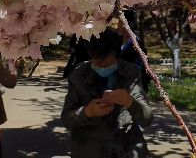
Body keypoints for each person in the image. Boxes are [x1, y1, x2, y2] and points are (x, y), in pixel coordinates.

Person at [61, 27, 154, 158]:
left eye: (106, 62)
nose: (102, 66)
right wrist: (87, 112)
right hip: (89, 150)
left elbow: (147, 118)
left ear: (117, 57)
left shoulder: (130, 74)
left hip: (126, 149)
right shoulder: (79, 76)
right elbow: (67, 119)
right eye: (98, 62)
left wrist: (130, 102)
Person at [118, 10, 150, 92]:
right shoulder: (117, 41)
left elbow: (140, 66)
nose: (118, 25)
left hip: (133, 84)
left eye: (120, 23)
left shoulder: (137, 43)